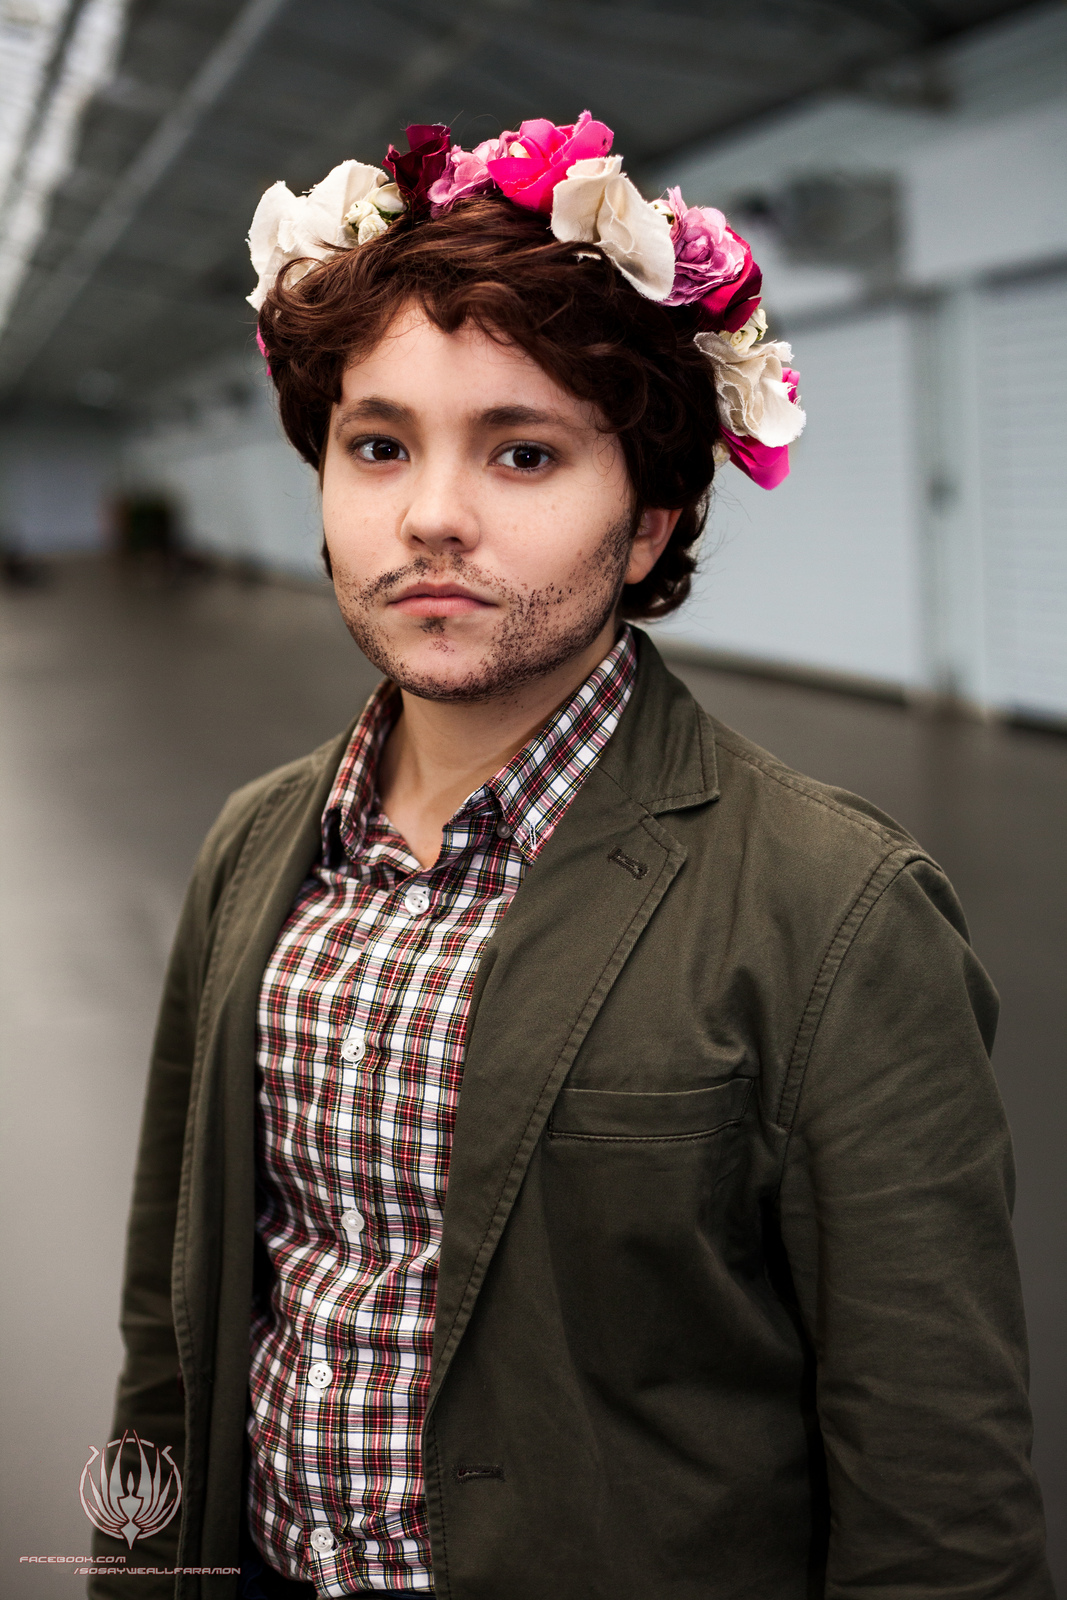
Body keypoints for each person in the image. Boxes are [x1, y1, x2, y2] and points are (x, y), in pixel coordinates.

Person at [90, 118, 1052, 1600]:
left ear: (650, 509)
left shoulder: (832, 914)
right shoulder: (257, 850)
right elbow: (175, 1329)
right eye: (378, 445)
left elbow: (939, 1494)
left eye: (523, 451)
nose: (429, 516)